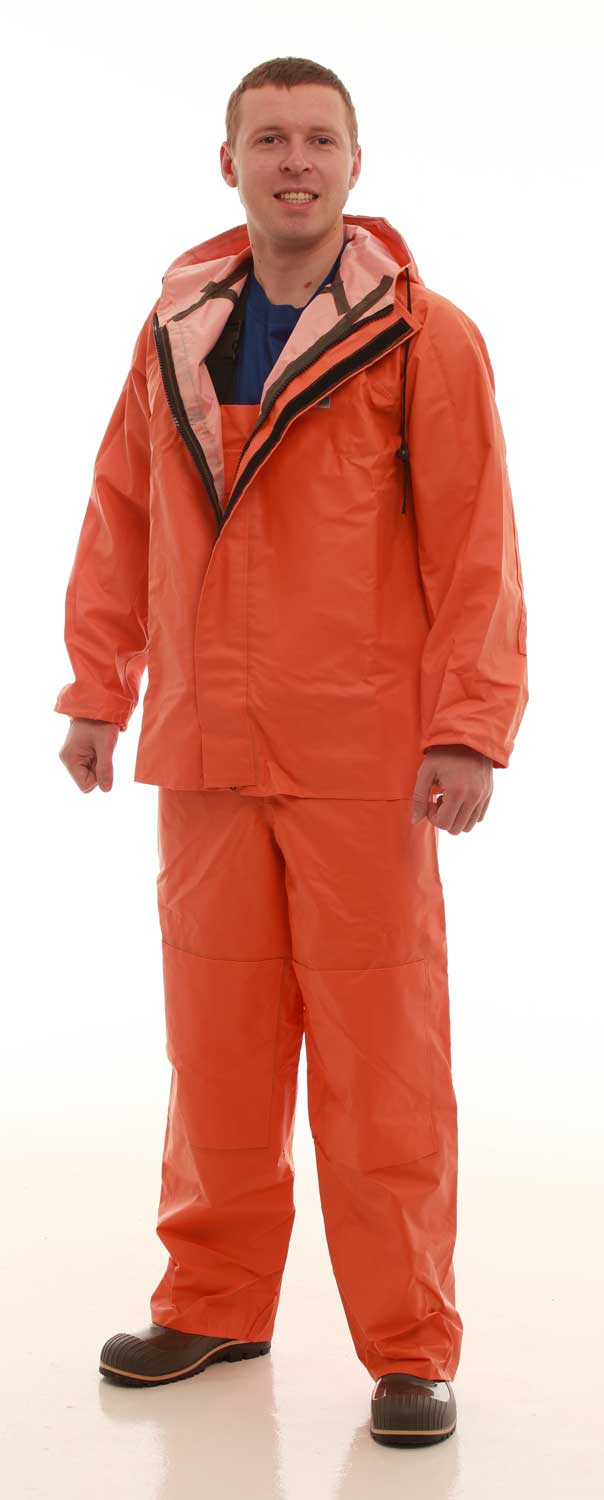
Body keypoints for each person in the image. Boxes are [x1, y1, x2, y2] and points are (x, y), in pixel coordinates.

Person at [55, 55, 529, 1448]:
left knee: (383, 1064)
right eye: (270, 140)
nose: (296, 162)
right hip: (206, 750)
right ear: (231, 165)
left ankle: (410, 1345)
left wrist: (468, 727)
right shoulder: (172, 333)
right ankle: (212, 1301)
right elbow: (120, 513)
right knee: (217, 1055)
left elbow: (478, 545)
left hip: (360, 755)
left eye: (319, 139)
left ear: (354, 164)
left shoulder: (425, 338)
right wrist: (98, 689)